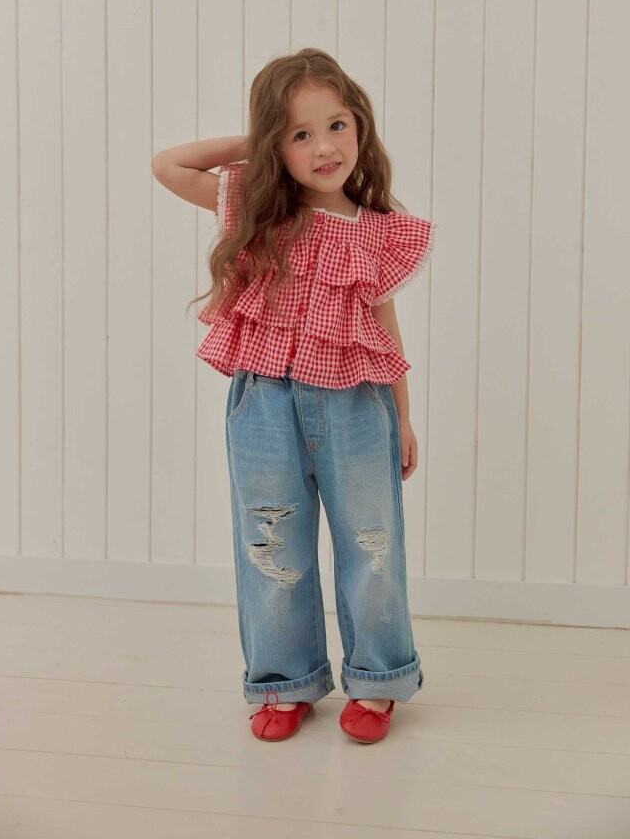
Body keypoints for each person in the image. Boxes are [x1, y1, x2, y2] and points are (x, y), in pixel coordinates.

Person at [151, 47, 437, 744]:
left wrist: (402, 418)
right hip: (265, 402)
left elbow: (385, 327)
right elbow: (169, 165)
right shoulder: (255, 210)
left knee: (371, 544)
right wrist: (261, 143)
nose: (324, 147)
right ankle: (284, 680)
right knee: (270, 540)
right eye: (300, 134)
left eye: (336, 125)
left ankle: (378, 678)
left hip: (357, 405)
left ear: (360, 125)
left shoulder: (378, 232)